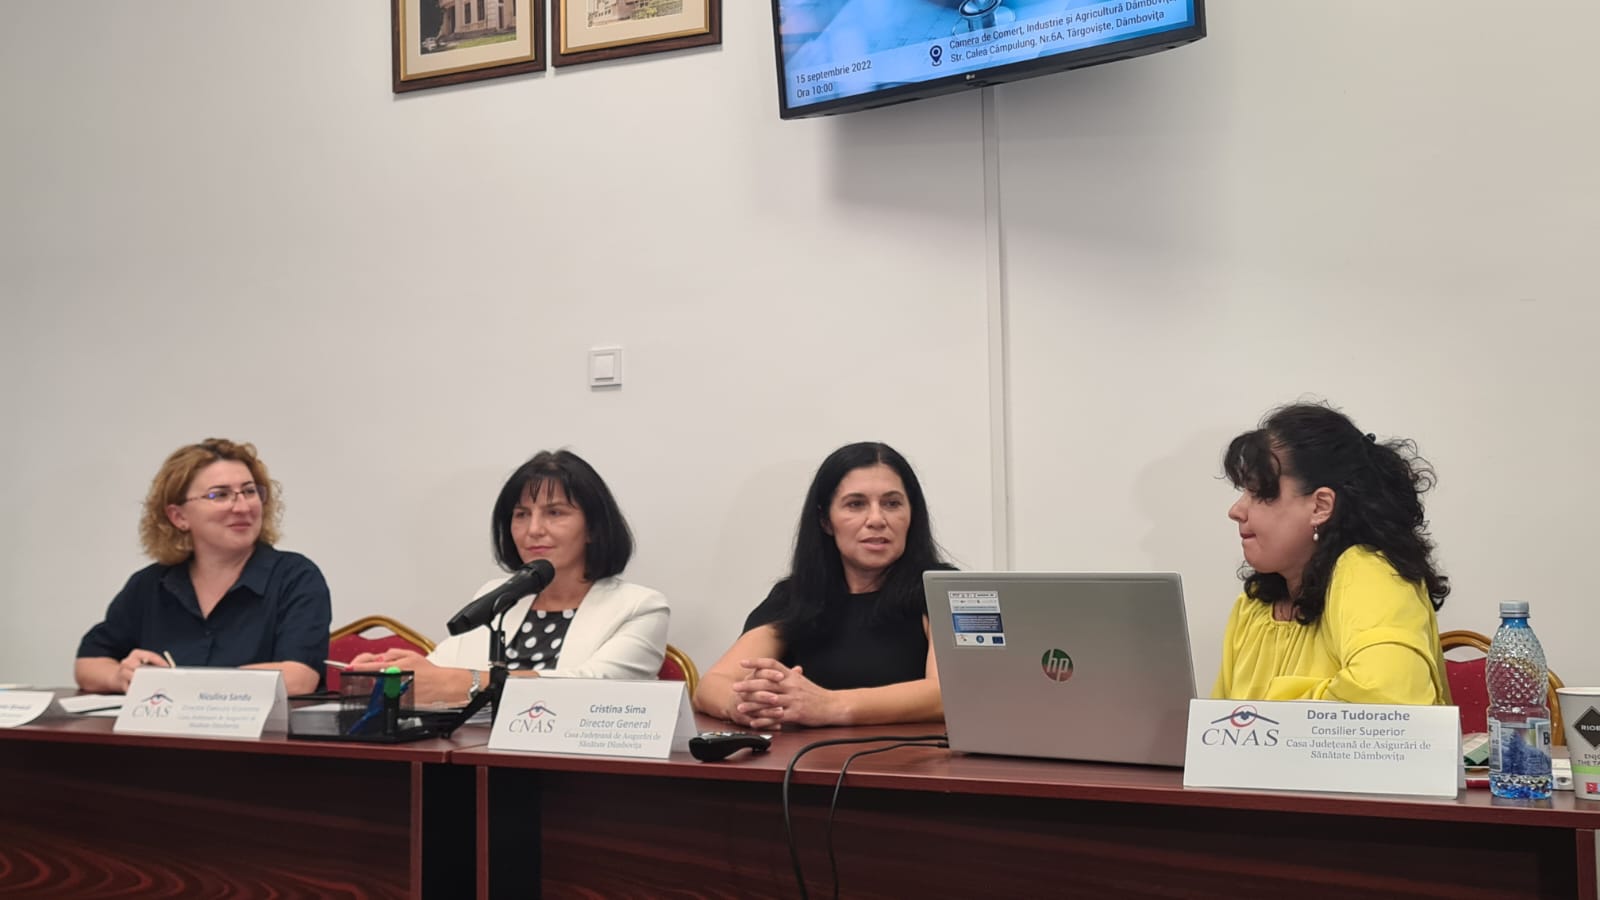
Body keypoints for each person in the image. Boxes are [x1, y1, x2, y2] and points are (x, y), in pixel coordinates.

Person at [351, 450, 668, 705]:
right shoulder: (498, 595)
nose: (533, 530)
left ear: (593, 529)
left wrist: (464, 683)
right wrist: (399, 670)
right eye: (521, 515)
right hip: (475, 754)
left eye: (555, 513)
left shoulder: (640, 607)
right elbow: (440, 675)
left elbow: (597, 690)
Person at [694, 441, 951, 730]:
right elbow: (711, 685)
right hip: (810, 757)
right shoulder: (796, 596)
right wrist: (743, 705)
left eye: (892, 504)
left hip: (912, 757)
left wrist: (831, 706)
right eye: (856, 504)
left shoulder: (943, 589)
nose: (877, 519)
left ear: (911, 515)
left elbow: (949, 694)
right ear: (825, 520)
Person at [1213, 402, 1452, 705]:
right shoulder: (1253, 606)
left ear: (1321, 506)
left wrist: (1268, 712)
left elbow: (1390, 699)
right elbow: (1217, 724)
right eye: (1243, 492)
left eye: (1260, 493)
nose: (1236, 511)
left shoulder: (1369, 573)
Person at [75, 439, 332, 695]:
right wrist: (122, 676)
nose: (243, 507)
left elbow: (299, 678)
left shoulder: (295, 577)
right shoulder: (151, 584)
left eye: (249, 491)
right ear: (179, 517)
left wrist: (183, 686)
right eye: (219, 495)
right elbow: (88, 663)